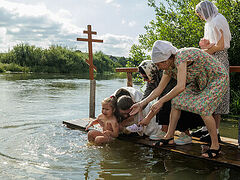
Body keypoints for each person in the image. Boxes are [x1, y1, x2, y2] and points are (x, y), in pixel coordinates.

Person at [130, 40, 229, 158]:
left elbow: (181, 86)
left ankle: (215, 146)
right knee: (176, 102)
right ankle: (169, 137)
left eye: (158, 64)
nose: (158, 68)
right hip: (199, 81)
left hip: (216, 78)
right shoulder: (169, 68)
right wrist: (141, 104)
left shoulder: (181, 56)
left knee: (203, 108)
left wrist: (161, 101)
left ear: (166, 60)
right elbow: (159, 89)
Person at [138, 60, 204, 145]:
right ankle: (164, 131)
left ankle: (185, 133)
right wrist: (140, 106)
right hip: (170, 97)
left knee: (168, 103)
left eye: (146, 77)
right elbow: (147, 95)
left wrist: (148, 118)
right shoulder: (152, 79)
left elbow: (166, 95)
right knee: (162, 103)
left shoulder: (165, 74)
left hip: (186, 96)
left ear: (151, 72)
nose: (144, 80)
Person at [192, 0, 231, 142]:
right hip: (211, 59)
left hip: (219, 59)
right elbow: (212, 43)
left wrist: (204, 52)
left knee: (217, 95)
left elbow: (221, 45)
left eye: (200, 14)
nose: (200, 17)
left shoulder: (218, 20)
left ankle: (216, 133)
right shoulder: (209, 23)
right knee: (208, 94)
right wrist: (204, 46)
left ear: (205, 10)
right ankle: (207, 129)